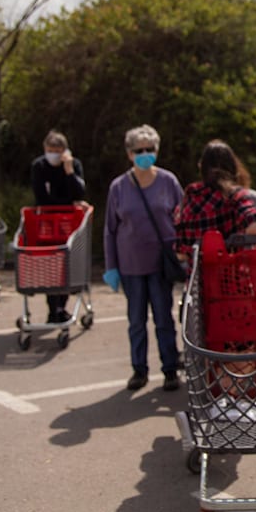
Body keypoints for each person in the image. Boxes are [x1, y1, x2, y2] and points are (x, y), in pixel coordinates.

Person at [102, 125, 184, 393]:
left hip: (161, 263)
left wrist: (183, 252)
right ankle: (139, 369)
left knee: (164, 318)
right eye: (139, 150)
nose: (145, 154)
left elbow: (183, 219)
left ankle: (170, 369)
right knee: (136, 320)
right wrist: (111, 267)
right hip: (131, 265)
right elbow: (110, 230)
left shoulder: (168, 182)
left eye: (150, 149)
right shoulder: (119, 187)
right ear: (129, 154)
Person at [173, 139, 256, 264]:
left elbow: (180, 253)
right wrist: (234, 239)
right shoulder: (235, 196)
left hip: (201, 278)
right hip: (232, 277)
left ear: (202, 167)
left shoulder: (191, 198)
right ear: (233, 167)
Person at [31, 130, 87, 323]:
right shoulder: (39, 167)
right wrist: (65, 203)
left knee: (68, 262)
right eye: (50, 150)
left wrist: (69, 170)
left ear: (65, 151)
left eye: (58, 150)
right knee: (51, 263)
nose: (54, 153)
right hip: (47, 222)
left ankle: (62, 306)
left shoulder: (73, 165)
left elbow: (79, 192)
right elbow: (41, 197)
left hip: (69, 223)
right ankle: (53, 308)